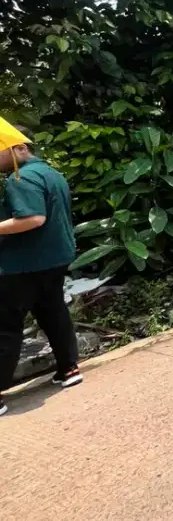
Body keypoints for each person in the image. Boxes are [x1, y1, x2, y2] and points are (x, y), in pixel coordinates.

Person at [0, 126, 81, 416]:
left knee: (5, 326)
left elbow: (33, 218)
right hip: (55, 258)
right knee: (53, 311)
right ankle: (69, 368)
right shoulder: (51, 173)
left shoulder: (19, 179)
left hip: (22, 265)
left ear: (19, 148)